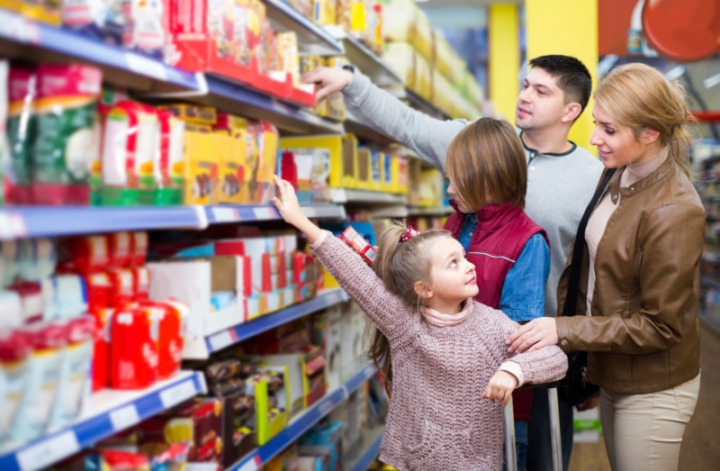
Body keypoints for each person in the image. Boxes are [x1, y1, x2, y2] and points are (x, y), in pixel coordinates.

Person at [303, 54, 604, 470]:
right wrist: (351, 81)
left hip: (527, 367)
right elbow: (406, 124)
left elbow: (594, 275)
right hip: (445, 380)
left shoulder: (593, 177)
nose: (524, 96)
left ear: (571, 110)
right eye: (524, 84)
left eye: (540, 90)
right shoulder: (477, 144)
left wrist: (588, 365)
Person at [271, 174, 568, 470]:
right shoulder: (405, 322)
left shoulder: (492, 325)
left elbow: (554, 358)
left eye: (464, 257)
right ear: (424, 289)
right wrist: (301, 221)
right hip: (417, 460)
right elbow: (355, 275)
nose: (469, 266)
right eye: (453, 263)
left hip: (479, 463)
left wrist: (514, 369)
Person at [506, 63, 704, 471]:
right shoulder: (618, 173)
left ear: (650, 133)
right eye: (596, 123)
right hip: (614, 368)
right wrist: (587, 366)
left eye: (609, 130)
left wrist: (564, 329)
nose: (594, 138)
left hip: (653, 385)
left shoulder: (674, 210)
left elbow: (661, 325)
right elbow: (592, 274)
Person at [444, 117, 551, 470]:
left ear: (487, 177)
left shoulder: (528, 241)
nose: (449, 188)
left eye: (457, 179)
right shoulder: (459, 222)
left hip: (496, 410)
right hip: (448, 400)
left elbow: (514, 334)